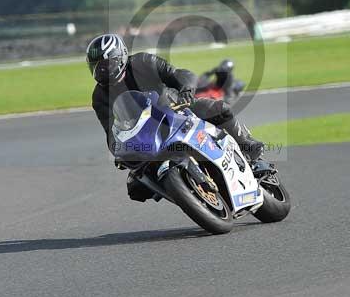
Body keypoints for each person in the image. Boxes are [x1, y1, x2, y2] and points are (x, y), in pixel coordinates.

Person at [87, 34, 265, 202]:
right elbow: (110, 132)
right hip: (144, 135)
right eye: (96, 67)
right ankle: (184, 191)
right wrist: (119, 152)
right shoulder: (100, 97)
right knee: (136, 186)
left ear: (120, 57)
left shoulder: (143, 62)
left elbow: (180, 74)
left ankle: (247, 145)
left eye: (105, 65)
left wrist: (186, 90)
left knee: (217, 108)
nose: (101, 71)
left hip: (175, 109)